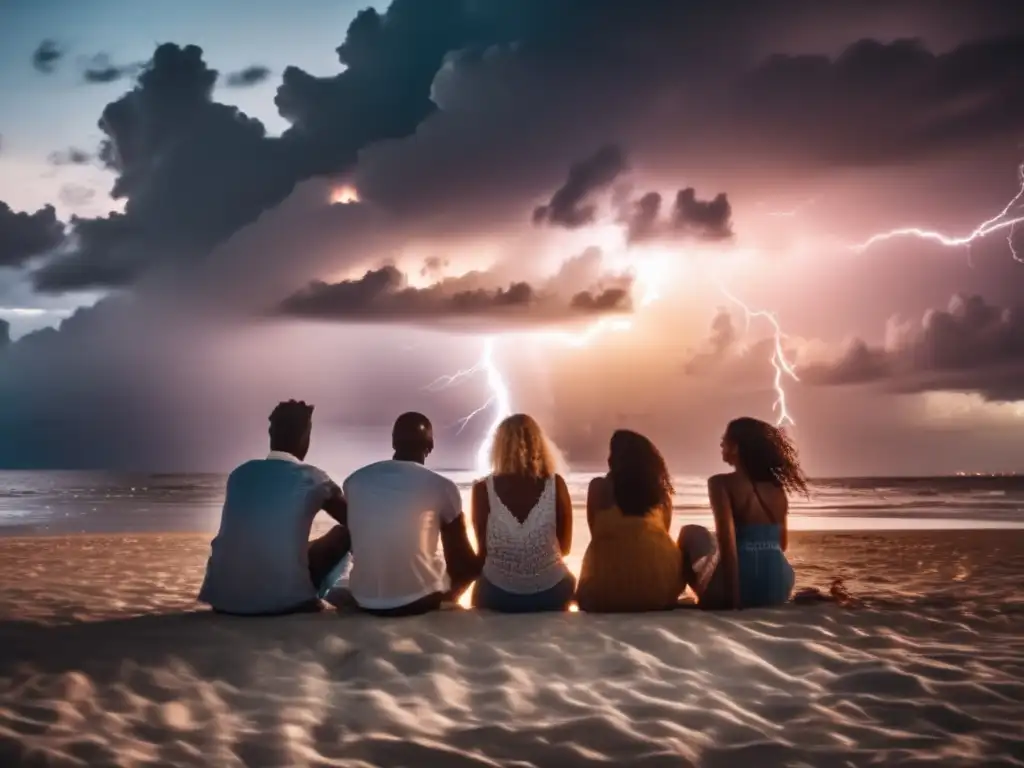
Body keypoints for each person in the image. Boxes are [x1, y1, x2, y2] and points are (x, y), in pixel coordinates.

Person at [198, 400, 349, 616]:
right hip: (283, 602)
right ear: (306, 435)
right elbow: (355, 520)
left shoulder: (240, 473)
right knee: (343, 534)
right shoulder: (312, 478)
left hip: (223, 600)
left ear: (271, 433)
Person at [342, 412, 481, 617]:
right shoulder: (441, 486)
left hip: (364, 599)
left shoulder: (354, 481)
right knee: (469, 561)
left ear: (393, 443)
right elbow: (462, 559)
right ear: (430, 446)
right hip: (419, 601)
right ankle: (450, 600)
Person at [679, 416, 806, 609]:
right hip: (779, 585)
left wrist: (734, 601)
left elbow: (727, 544)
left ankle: (703, 597)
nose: (721, 444)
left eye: (725, 440)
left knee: (689, 533)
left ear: (736, 447)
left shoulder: (720, 483)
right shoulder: (777, 489)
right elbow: (782, 543)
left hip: (742, 585)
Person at [470, 414, 575, 613]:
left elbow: (484, 551)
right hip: (552, 593)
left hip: (497, 595)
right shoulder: (556, 484)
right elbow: (566, 547)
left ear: (499, 446)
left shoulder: (482, 489)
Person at [576, 430, 683, 612]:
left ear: (614, 459)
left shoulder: (599, 487)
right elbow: (663, 534)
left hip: (603, 592)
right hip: (661, 590)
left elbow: (596, 533)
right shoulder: (661, 495)